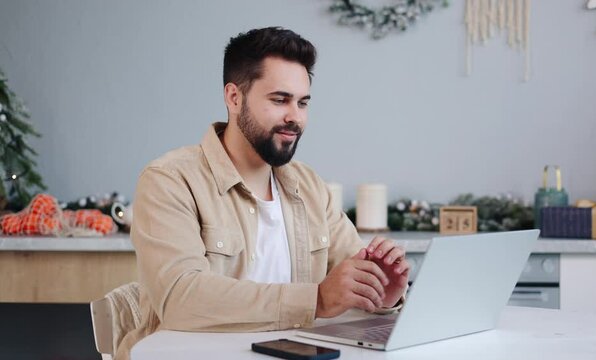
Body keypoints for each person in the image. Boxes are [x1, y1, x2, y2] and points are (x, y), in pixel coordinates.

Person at [116, 27, 409, 359]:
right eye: (279, 100)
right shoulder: (169, 180)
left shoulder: (309, 186)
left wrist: (381, 293)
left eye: (302, 103)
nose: (294, 117)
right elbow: (180, 298)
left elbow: (353, 274)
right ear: (234, 97)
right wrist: (318, 299)